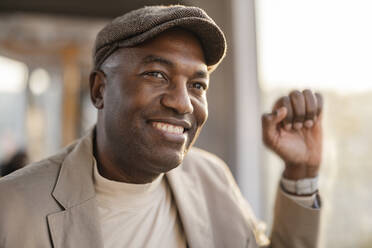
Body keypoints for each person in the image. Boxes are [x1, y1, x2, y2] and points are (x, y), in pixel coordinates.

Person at [0, 5, 323, 248]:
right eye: (157, 75)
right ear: (100, 90)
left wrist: (301, 172)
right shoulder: (12, 207)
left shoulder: (212, 179)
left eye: (197, 85)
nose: (182, 103)